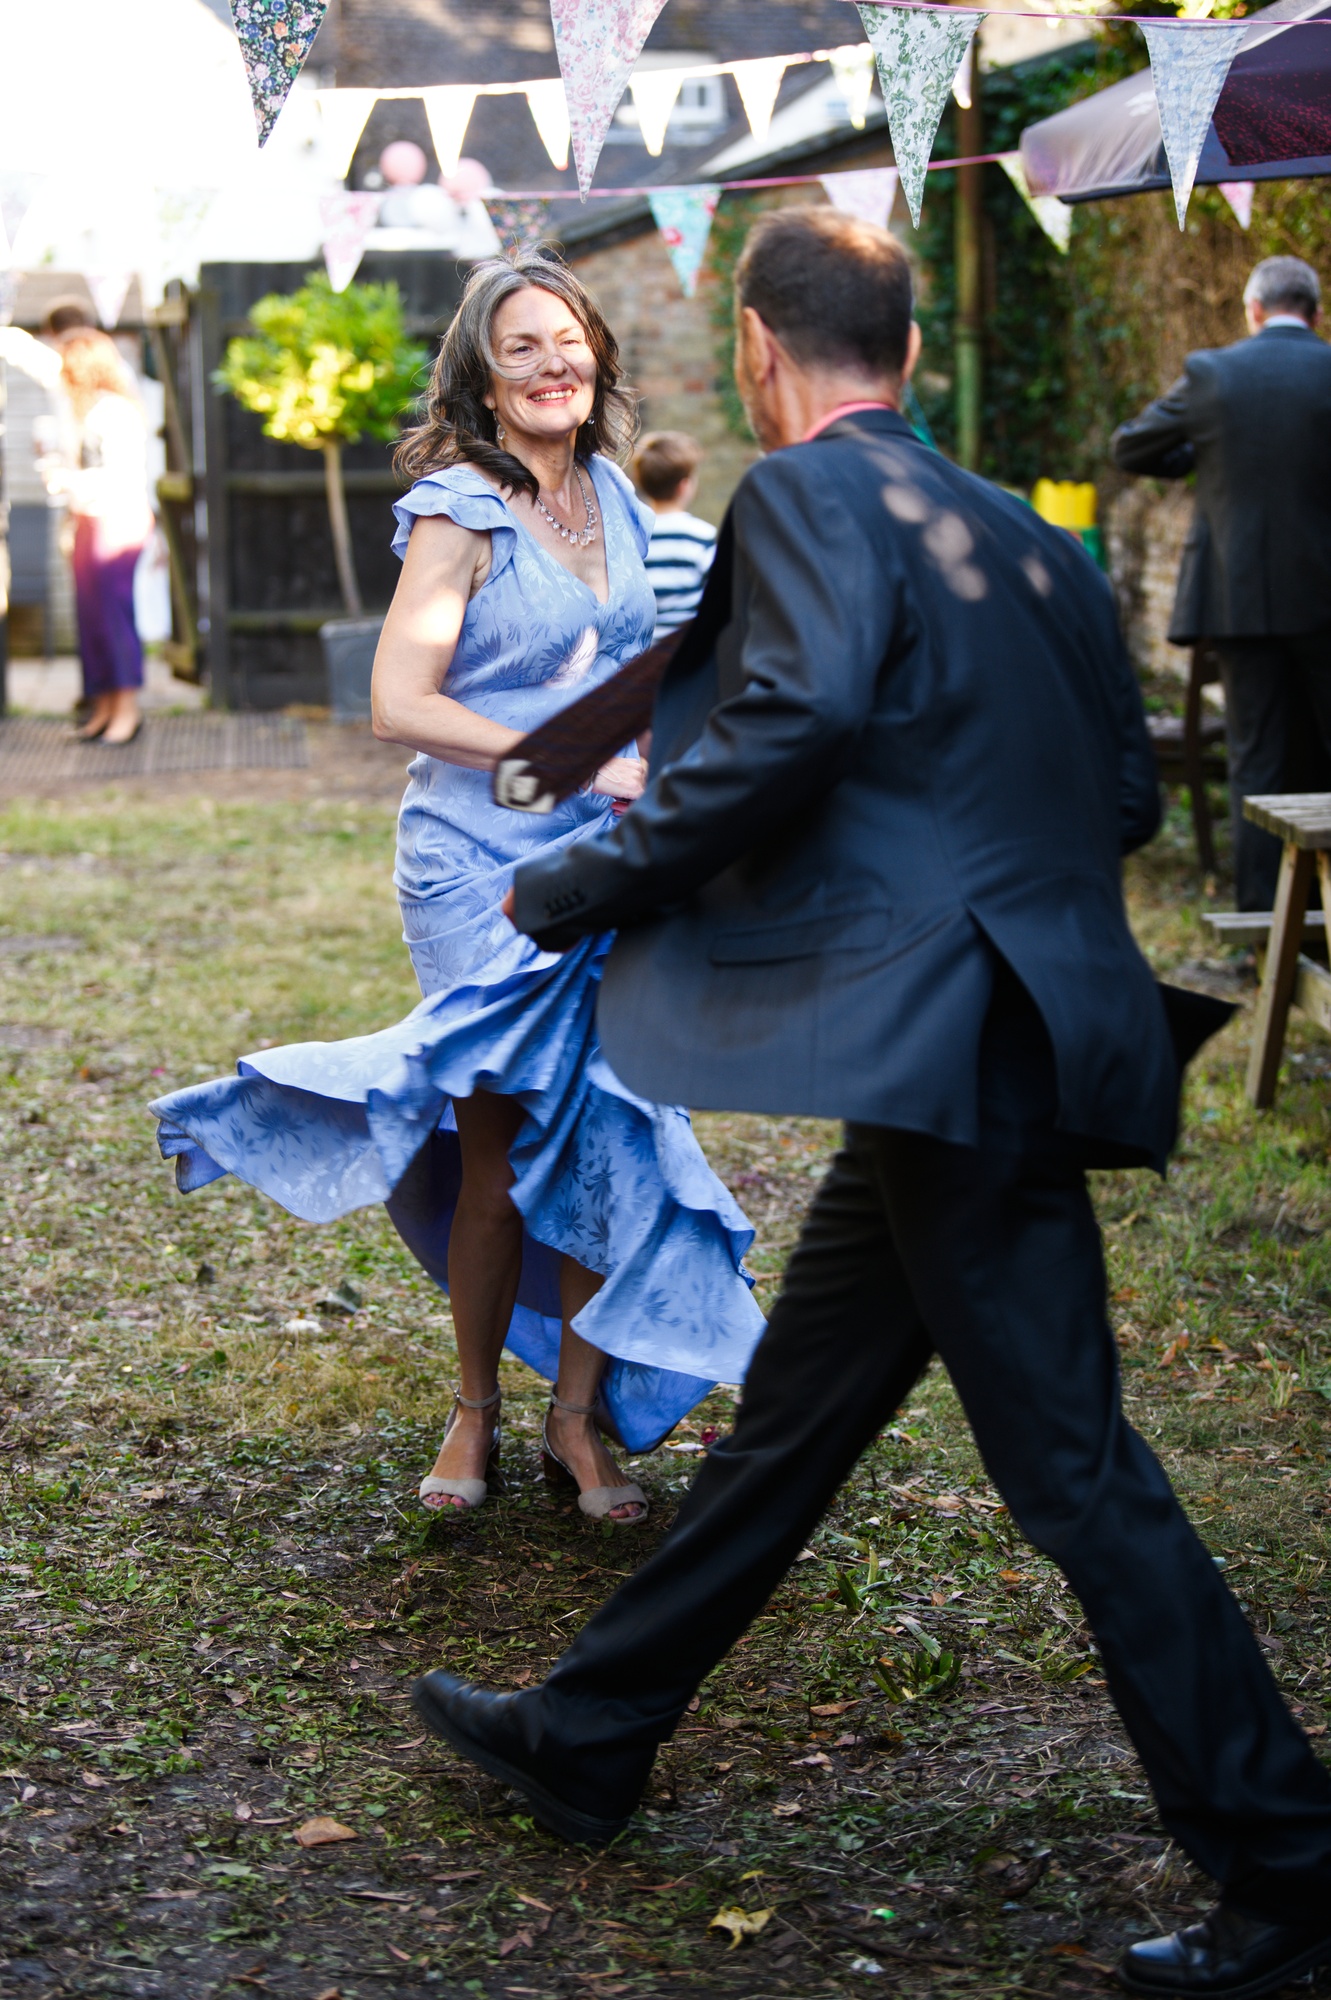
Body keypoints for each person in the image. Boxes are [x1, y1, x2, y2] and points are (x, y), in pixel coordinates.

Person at [410, 209, 1331, 1999]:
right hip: (987, 1042)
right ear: (905, 349)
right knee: (792, 1427)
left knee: (1075, 1473)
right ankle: (590, 1733)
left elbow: (798, 720)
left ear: (758, 348)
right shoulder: (1019, 532)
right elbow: (1127, 802)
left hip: (961, 1057)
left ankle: (1287, 1862)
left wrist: (578, 883)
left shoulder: (802, 497)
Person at [150, 252, 763, 1526]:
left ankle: (574, 1420)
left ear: (596, 358)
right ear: (482, 382)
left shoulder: (615, 495)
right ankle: (474, 1404)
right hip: (475, 870)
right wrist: (566, 757)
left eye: (567, 340)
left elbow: (634, 668)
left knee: (607, 1135)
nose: (551, 364)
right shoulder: (458, 510)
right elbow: (398, 702)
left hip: (604, 859)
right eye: (520, 347)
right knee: (494, 1143)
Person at [1112, 255, 1331, 910]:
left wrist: (1206, 457)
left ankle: (1264, 924)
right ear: (1316, 313)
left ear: (1253, 310)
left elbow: (1131, 447)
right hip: (1325, 598)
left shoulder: (1213, 374)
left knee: (1256, 762)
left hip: (1239, 597)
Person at [46, 329, 154, 745]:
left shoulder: (115, 412)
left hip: (116, 519)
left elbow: (122, 477)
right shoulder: (85, 411)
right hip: (90, 520)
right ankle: (104, 708)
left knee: (113, 617)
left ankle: (127, 711)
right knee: (91, 619)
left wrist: (69, 481)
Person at [631, 431, 717, 638]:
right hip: (689, 650)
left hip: (641, 652)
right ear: (684, 486)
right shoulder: (702, 537)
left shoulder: (630, 537)